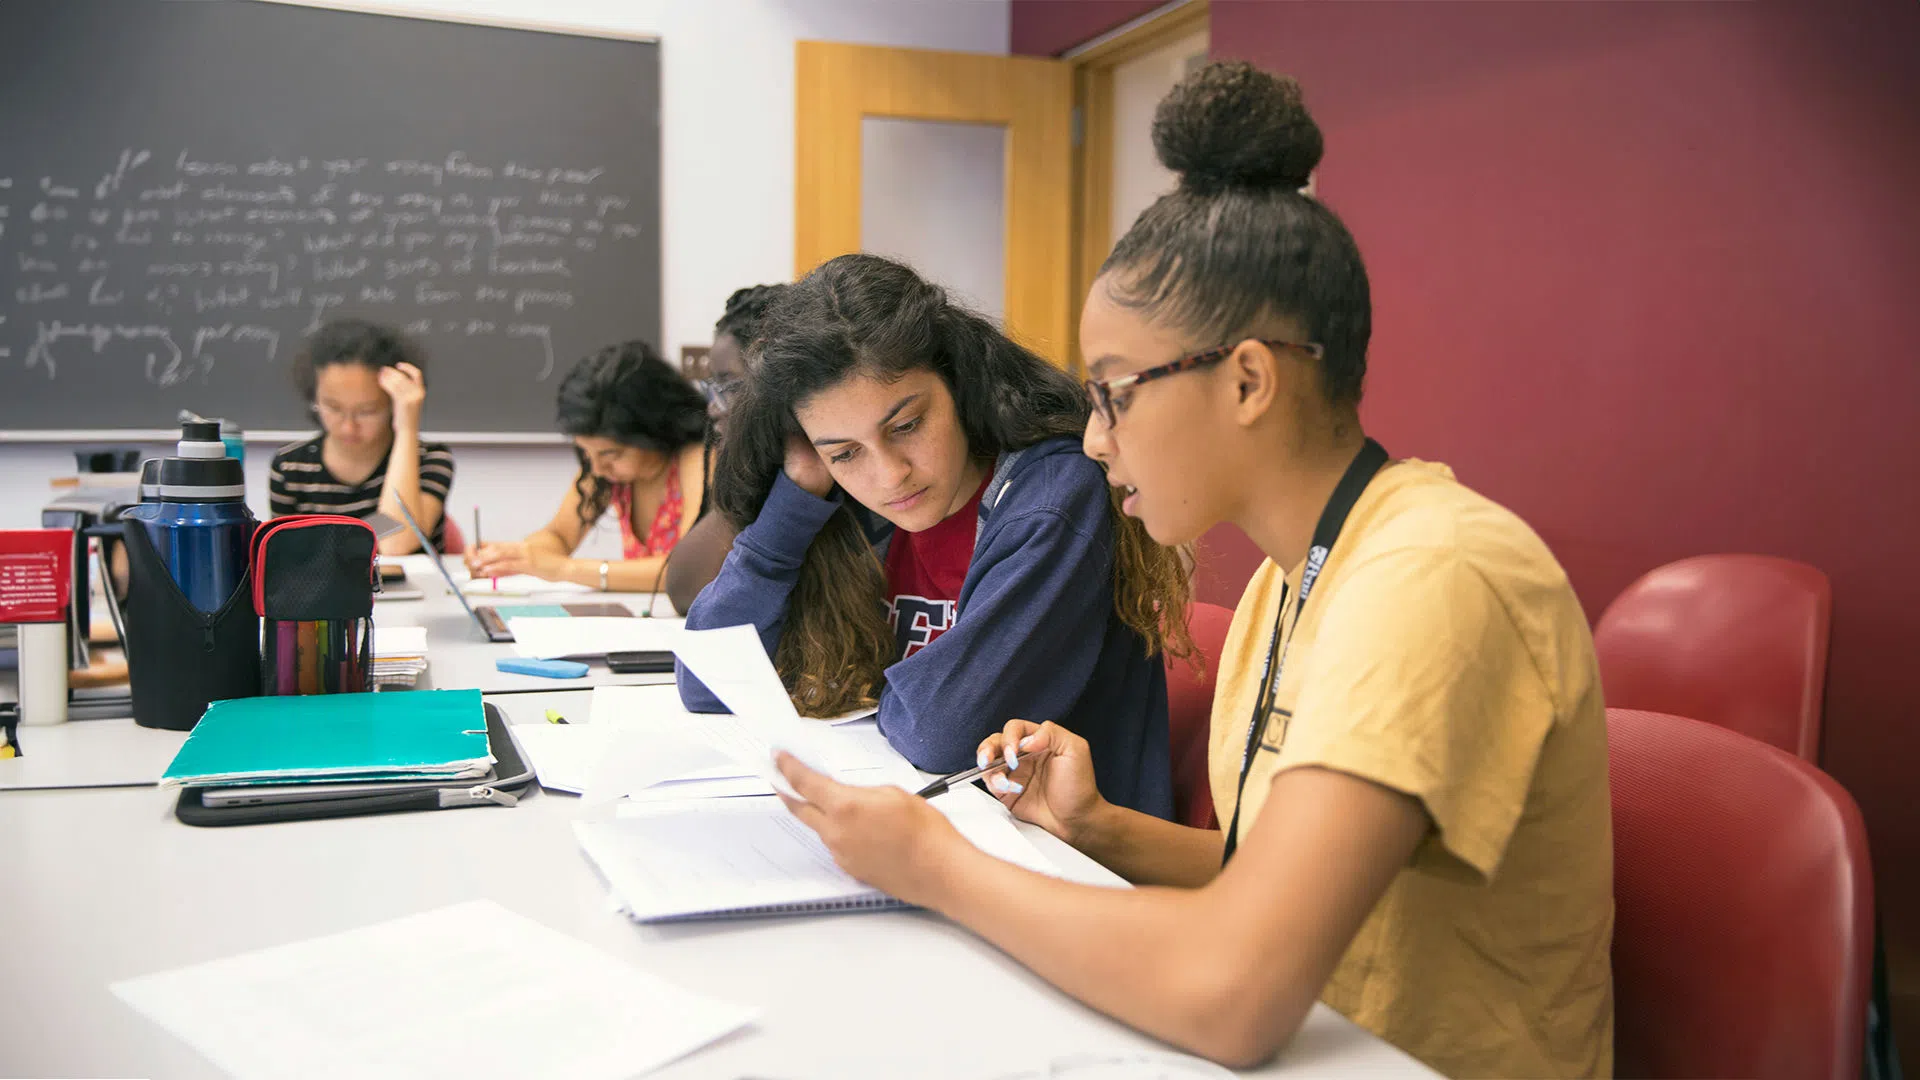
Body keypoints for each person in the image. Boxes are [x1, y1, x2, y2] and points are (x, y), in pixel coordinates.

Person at [769, 62, 1614, 1077]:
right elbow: (1274, 877)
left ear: (1249, 379)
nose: (1091, 440)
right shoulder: (1287, 582)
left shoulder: (1433, 576)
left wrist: (935, 865)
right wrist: (1102, 831)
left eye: (1114, 394)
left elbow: (1237, 992)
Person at [677, 254, 1194, 818]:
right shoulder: (844, 503)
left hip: (1070, 862)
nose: (888, 473)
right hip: (936, 832)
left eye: (906, 426)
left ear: (958, 382)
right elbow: (709, 683)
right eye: (844, 452)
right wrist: (793, 504)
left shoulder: (1050, 497)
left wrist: (854, 693)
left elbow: (941, 730)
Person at [465, 341, 708, 590]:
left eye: (611, 453)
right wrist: (513, 558)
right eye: (585, 452)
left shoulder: (697, 460)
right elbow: (559, 536)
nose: (598, 468)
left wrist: (563, 569)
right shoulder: (605, 470)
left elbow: (688, 571)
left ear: (654, 431)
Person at [268, 318, 453, 555]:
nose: (348, 426)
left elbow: (397, 543)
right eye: (333, 407)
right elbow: (288, 560)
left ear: (392, 403)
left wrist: (407, 428)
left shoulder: (431, 459)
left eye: (367, 411)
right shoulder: (290, 466)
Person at [662, 283, 788, 614]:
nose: (713, 408)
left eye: (729, 385)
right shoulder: (755, 475)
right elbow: (685, 589)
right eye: (712, 387)